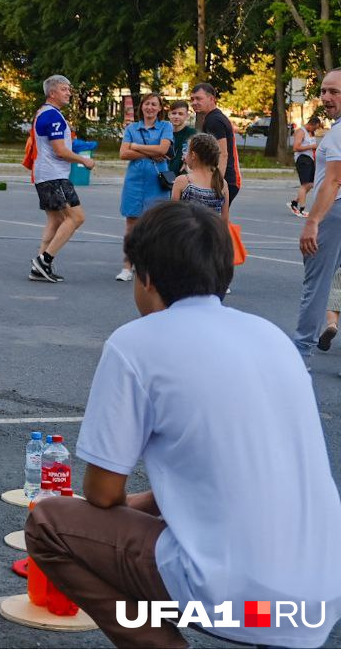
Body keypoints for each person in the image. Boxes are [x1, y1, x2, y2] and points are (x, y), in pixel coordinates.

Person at [28, 201, 341, 649]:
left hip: (238, 602)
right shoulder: (271, 337)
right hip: (318, 600)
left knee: (50, 524)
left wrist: (127, 508)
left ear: (146, 277)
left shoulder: (136, 343)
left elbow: (101, 494)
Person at [294, 70, 341, 365]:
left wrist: (312, 221)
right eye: (323, 91)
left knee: (316, 285)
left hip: (332, 213)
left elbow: (334, 181)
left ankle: (300, 355)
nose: (325, 97)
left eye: (333, 92)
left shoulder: (337, 135)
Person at [29, 75, 94, 283]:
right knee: (76, 217)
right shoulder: (53, 116)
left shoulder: (45, 113)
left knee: (55, 220)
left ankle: (38, 267)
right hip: (53, 175)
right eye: (64, 89)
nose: (69, 93)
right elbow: (59, 151)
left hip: (45, 174)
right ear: (52, 93)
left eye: (69, 89)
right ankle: (45, 259)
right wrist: (84, 160)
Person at [115, 93, 173, 282]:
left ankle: (152, 266)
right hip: (135, 182)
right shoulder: (132, 127)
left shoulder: (166, 126)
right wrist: (149, 151)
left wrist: (135, 146)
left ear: (159, 108)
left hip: (157, 183)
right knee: (131, 225)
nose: (150, 107)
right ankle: (127, 267)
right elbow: (123, 154)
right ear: (142, 107)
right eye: (147, 104)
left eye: (154, 104)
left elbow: (163, 150)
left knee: (156, 225)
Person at [189, 83, 240, 205]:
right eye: (192, 99)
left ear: (211, 99)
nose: (194, 102)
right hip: (225, 180)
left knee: (211, 221)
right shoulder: (212, 117)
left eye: (198, 98)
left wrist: (217, 182)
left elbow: (222, 154)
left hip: (225, 180)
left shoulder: (214, 120)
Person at [170, 133, 228, 221]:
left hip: (187, 233)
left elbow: (173, 217)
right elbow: (224, 220)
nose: (185, 154)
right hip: (213, 233)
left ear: (193, 155)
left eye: (186, 150)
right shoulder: (222, 183)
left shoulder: (183, 181)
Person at [291, 116, 322, 217]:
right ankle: (302, 209)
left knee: (311, 184)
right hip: (302, 159)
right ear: (310, 124)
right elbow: (296, 148)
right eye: (315, 128)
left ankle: (294, 202)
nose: (315, 130)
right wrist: (311, 147)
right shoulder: (301, 132)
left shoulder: (311, 132)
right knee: (305, 185)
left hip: (310, 159)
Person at [164, 99, 195, 176]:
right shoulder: (162, 133)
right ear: (169, 115)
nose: (176, 116)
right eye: (174, 113)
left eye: (180, 114)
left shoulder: (193, 134)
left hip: (183, 178)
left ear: (187, 116)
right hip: (162, 176)